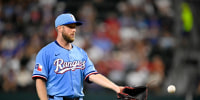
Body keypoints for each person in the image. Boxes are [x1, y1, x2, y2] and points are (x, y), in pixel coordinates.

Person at [32, 13, 122, 100]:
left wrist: (116, 88)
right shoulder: (46, 52)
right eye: (70, 27)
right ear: (60, 28)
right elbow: (40, 80)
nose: (74, 30)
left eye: (74, 27)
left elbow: (93, 75)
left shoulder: (80, 53)